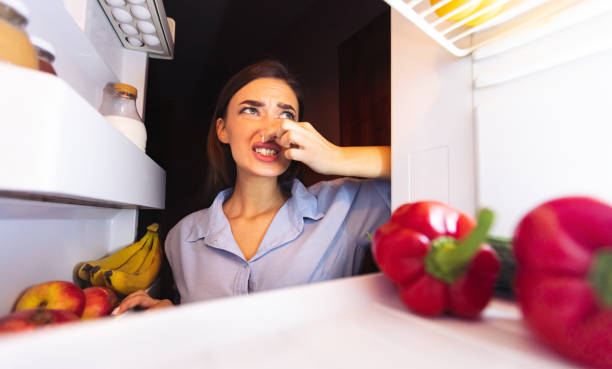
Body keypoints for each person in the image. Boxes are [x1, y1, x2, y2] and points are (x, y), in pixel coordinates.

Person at [113, 60, 391, 315]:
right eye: (251, 110)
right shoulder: (182, 238)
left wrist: (336, 157)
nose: (272, 129)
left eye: (286, 115)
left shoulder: (346, 207)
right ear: (222, 129)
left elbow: (429, 161)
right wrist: (175, 315)